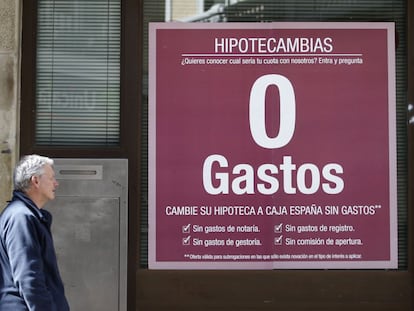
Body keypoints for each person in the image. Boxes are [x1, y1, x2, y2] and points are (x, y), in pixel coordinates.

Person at [0, 154, 70, 311]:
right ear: (35, 181)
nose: (56, 183)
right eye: (51, 178)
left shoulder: (25, 215)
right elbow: (29, 278)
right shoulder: (21, 218)